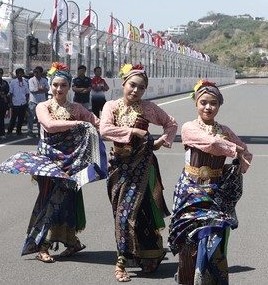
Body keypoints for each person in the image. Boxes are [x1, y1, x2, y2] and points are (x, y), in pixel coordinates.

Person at [0, 62, 104, 263]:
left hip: (72, 162)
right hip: (48, 162)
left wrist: (113, 129)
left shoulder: (77, 108)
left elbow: (97, 123)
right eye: (55, 85)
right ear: (50, 86)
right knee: (47, 200)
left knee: (68, 201)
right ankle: (42, 245)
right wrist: (79, 123)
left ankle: (72, 242)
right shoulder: (43, 106)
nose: (59, 89)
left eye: (63, 85)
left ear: (69, 87)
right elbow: (50, 126)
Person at [168, 80, 252, 285]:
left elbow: (246, 151)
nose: (208, 107)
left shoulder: (225, 130)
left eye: (213, 103)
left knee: (215, 235)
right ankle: (188, 278)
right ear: (196, 103)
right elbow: (211, 143)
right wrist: (236, 150)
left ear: (219, 105)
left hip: (216, 192)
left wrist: (241, 163)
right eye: (203, 102)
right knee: (189, 239)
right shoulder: (189, 127)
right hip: (190, 189)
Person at [100, 63, 178, 282]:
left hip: (143, 166)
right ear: (123, 83)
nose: (136, 90)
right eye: (132, 85)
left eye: (141, 87)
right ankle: (135, 254)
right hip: (118, 167)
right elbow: (105, 130)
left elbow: (171, 124)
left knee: (139, 211)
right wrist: (134, 130)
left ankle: (127, 260)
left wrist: (163, 141)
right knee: (121, 212)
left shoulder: (148, 108)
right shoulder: (111, 106)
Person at [28, 66, 50, 137]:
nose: (35, 73)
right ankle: (30, 131)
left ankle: (40, 131)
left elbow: (47, 88)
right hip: (33, 101)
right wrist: (41, 89)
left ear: (41, 73)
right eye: (34, 72)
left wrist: (39, 89)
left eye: (37, 72)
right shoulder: (31, 80)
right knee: (31, 117)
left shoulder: (44, 80)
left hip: (42, 102)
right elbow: (32, 90)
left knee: (40, 118)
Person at [8, 68, 30, 135]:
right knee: (13, 118)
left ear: (23, 74)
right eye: (18, 73)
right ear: (16, 74)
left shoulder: (25, 82)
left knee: (21, 118)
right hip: (15, 102)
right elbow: (11, 93)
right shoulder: (13, 82)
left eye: (21, 73)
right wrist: (10, 102)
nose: (20, 75)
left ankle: (18, 131)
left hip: (23, 102)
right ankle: (10, 131)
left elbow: (27, 93)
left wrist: (26, 101)